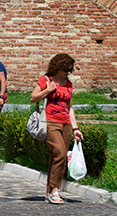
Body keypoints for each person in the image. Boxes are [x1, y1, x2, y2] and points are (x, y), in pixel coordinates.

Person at [30, 53, 82, 205]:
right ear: (58, 67)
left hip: (65, 123)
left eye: (70, 70)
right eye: (66, 69)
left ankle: (48, 191)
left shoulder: (68, 84)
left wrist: (75, 128)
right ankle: (55, 190)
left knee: (57, 157)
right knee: (59, 152)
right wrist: (48, 90)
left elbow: (70, 107)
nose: (68, 73)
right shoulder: (46, 80)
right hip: (50, 121)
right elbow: (33, 97)